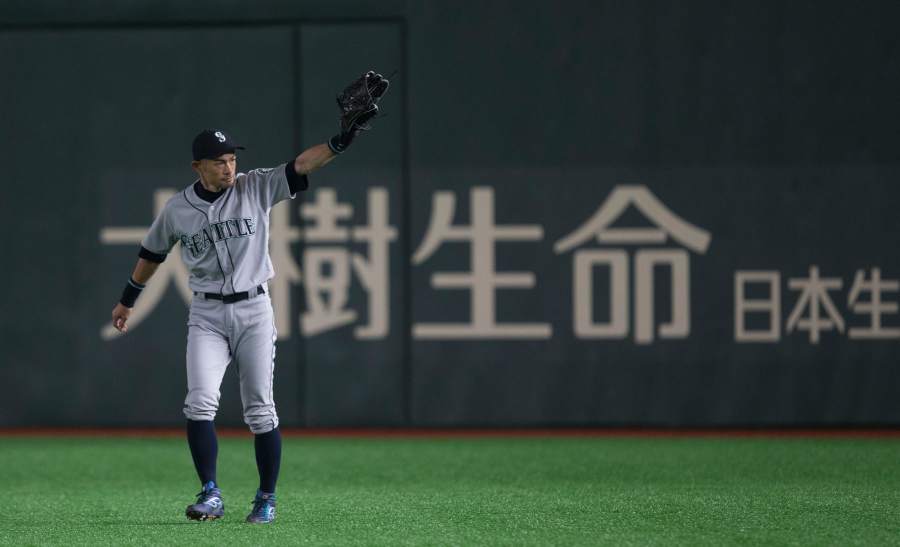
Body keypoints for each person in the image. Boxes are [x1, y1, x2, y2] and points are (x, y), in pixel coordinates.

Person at [109, 68, 389, 525]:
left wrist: (338, 142)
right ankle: (211, 493)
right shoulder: (178, 209)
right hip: (206, 314)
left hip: (255, 310)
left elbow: (301, 165)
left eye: (232, 158)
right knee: (199, 401)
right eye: (218, 160)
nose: (229, 166)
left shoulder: (256, 186)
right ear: (197, 166)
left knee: (261, 409)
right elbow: (150, 254)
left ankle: (265, 498)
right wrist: (127, 300)